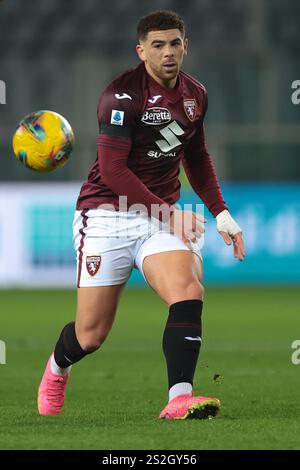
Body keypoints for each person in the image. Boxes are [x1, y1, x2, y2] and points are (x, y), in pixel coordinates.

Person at [37, 10, 245, 420]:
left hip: (158, 216)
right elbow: (114, 171)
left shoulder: (195, 95)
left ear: (185, 46)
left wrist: (221, 213)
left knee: (187, 288)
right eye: (157, 45)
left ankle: (179, 397)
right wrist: (172, 215)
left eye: (174, 43)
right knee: (91, 335)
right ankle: (57, 367)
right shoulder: (121, 96)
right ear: (141, 50)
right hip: (106, 213)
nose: (168, 52)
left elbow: (197, 157)